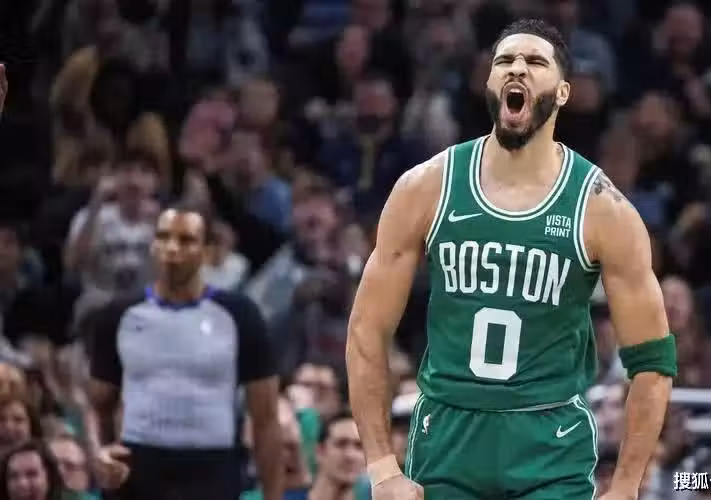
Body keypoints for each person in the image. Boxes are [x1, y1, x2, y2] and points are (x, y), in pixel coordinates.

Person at [346, 18, 676, 500]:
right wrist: (381, 468)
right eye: (504, 61)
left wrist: (625, 487)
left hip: (549, 444)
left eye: (535, 62)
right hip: (448, 438)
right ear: (489, 82)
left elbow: (653, 360)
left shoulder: (602, 208)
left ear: (563, 92)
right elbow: (366, 330)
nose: (517, 68)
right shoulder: (427, 187)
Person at [86, 204, 283, 500]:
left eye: (186, 240)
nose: (172, 249)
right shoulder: (118, 315)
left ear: (208, 251)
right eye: (163, 237)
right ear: (153, 245)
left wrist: (273, 496)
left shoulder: (241, 316)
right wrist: (99, 452)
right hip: (138, 472)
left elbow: (266, 420)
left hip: (213, 473)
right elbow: (97, 405)